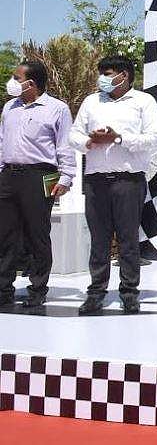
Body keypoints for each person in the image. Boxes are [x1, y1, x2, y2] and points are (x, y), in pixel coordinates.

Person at [71, 55, 157, 315]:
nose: (103, 79)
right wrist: (89, 141)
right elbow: (73, 134)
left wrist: (118, 138)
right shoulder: (91, 101)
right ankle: (96, 293)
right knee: (99, 240)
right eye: (101, 74)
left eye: (108, 74)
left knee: (128, 239)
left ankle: (129, 293)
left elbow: (154, 138)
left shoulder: (143, 101)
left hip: (128, 180)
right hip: (96, 180)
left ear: (124, 75)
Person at [0, 61, 76, 309]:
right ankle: (3, 289)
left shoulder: (57, 109)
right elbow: (2, 141)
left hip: (41, 174)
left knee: (37, 234)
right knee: (5, 235)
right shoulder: (9, 107)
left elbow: (64, 145)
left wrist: (66, 177)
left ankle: (37, 289)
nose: (12, 82)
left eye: (16, 78)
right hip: (9, 174)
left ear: (31, 83)